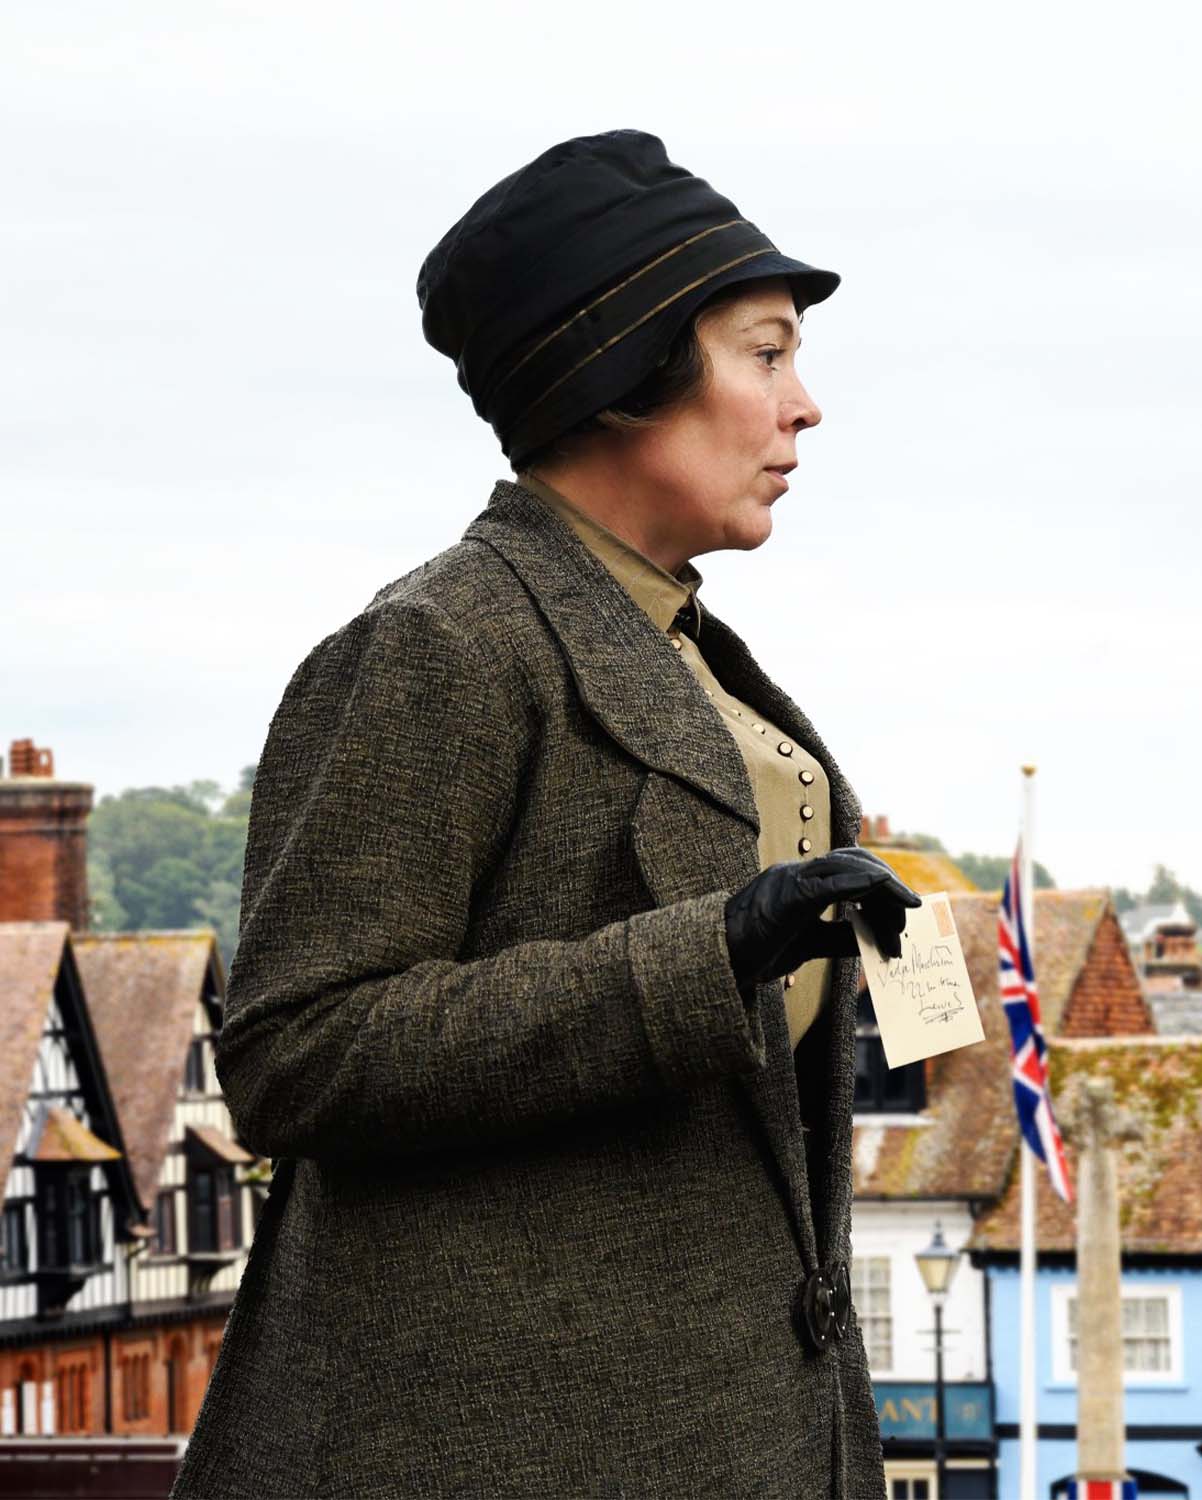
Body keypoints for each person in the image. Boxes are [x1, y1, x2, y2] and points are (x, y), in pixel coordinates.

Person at [172, 131, 914, 1498]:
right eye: (764, 354)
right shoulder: (436, 643)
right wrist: (709, 955)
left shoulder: (692, 652)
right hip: (503, 1450)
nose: (804, 406)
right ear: (623, 373)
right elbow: (295, 1054)